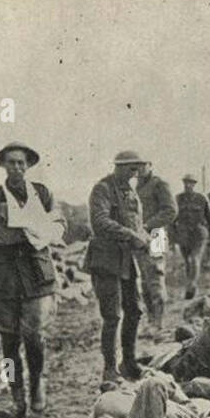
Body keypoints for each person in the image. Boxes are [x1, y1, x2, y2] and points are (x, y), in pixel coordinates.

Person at [0, 141, 64, 418]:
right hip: (4, 274)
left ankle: (37, 385)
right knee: (8, 341)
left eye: (21, 163)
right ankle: (16, 397)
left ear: (28, 166)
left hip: (35, 272)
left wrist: (46, 233)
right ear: (3, 165)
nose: (16, 167)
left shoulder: (41, 193)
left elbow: (60, 223)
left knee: (34, 336)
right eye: (11, 162)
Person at [85, 151, 152, 387]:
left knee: (134, 310)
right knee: (112, 315)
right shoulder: (103, 189)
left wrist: (143, 236)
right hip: (106, 259)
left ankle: (129, 362)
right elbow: (100, 222)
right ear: (119, 167)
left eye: (137, 169)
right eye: (130, 169)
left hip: (127, 259)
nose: (134, 174)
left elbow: (135, 222)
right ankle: (109, 369)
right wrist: (131, 235)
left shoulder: (130, 191)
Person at [134, 159, 177, 339]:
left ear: (151, 165)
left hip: (157, 235)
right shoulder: (136, 187)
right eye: (137, 166)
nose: (140, 169)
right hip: (140, 237)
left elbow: (171, 211)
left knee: (156, 280)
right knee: (144, 281)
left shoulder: (159, 184)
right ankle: (151, 322)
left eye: (144, 165)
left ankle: (158, 324)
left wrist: (148, 226)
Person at [173, 174, 210, 300]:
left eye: (191, 183)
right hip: (183, 234)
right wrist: (172, 237)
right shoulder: (178, 198)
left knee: (194, 258)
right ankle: (190, 283)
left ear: (194, 184)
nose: (188, 185)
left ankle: (191, 285)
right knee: (187, 261)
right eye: (186, 183)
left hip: (199, 233)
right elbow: (172, 219)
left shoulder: (201, 198)